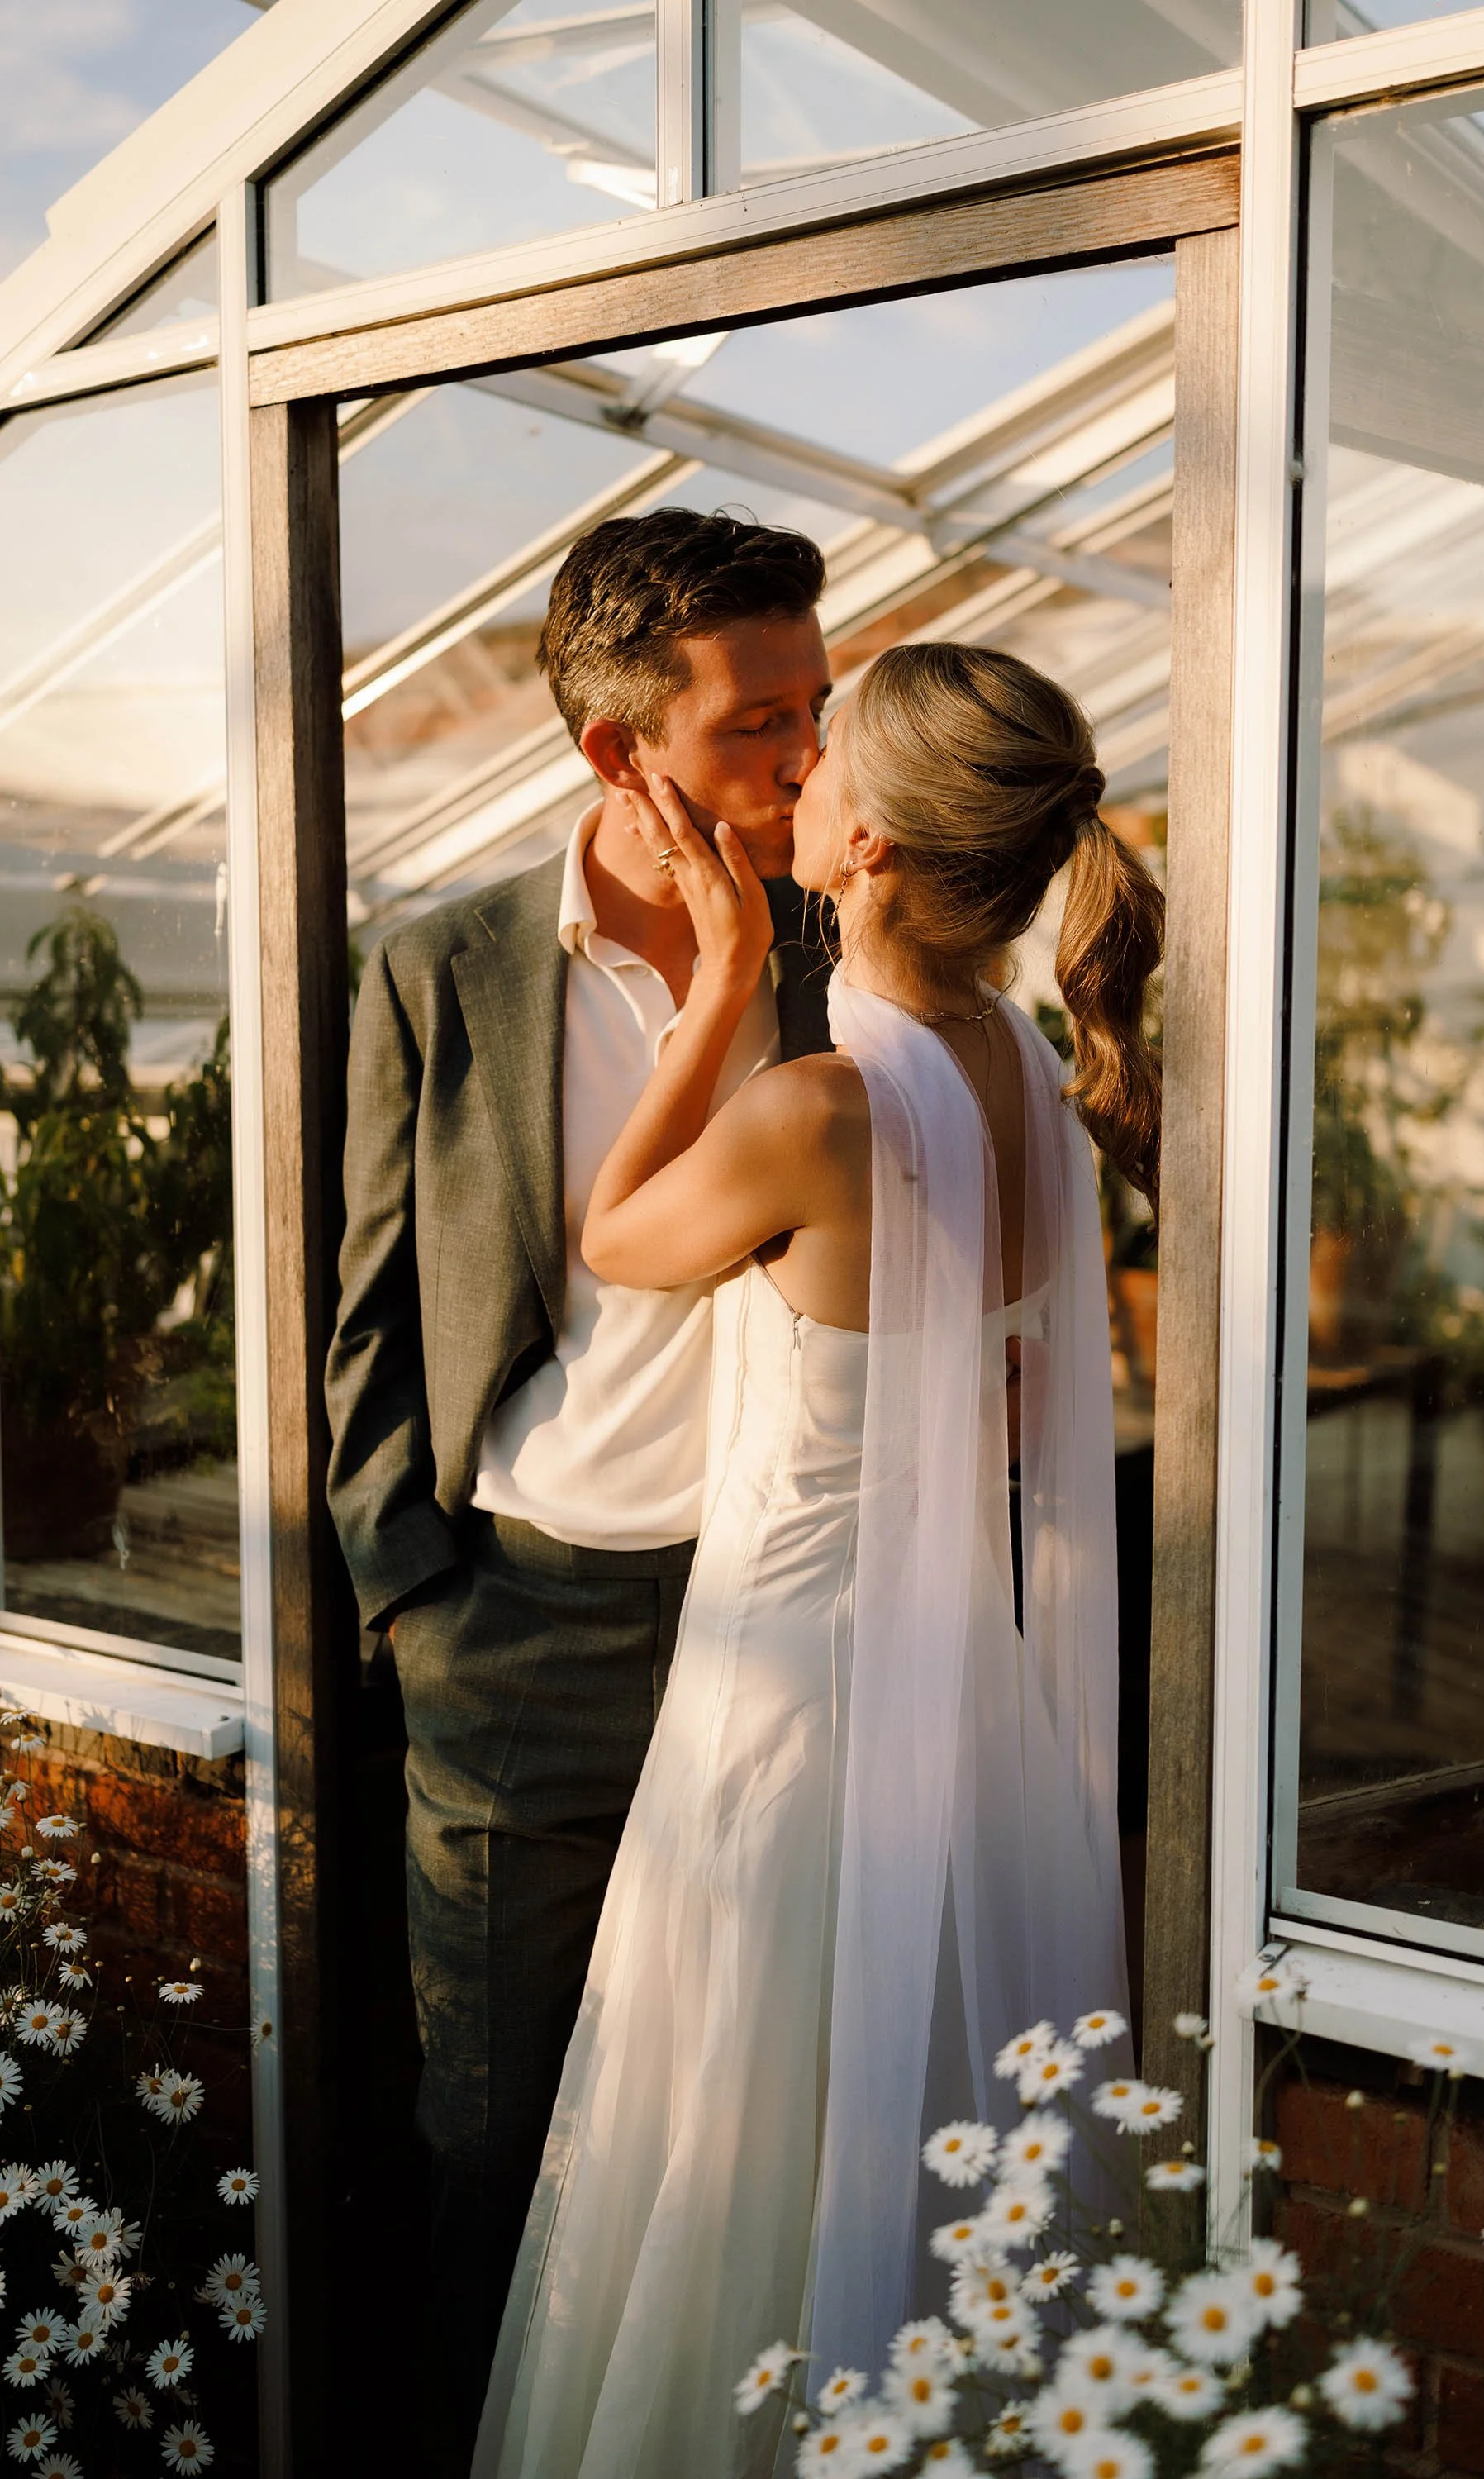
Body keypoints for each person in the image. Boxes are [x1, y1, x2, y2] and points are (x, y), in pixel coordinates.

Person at [473, 640, 1164, 2479]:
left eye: (824, 749)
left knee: (736, 2165)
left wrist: (714, 984)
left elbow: (618, 1242)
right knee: (922, 2158)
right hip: (970, 1712)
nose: (795, 772)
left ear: (866, 845)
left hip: (789, 1717)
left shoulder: (819, 1109)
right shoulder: (1018, 1068)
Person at [323, 509, 837, 2476]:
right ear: (619, 754)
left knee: (727, 2131)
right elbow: (364, 1325)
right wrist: (418, 1603)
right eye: (755, 727)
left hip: (773, 1619)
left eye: (816, 709)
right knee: (502, 2136)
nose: (803, 762)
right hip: (515, 1636)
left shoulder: (831, 946)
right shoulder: (436, 974)